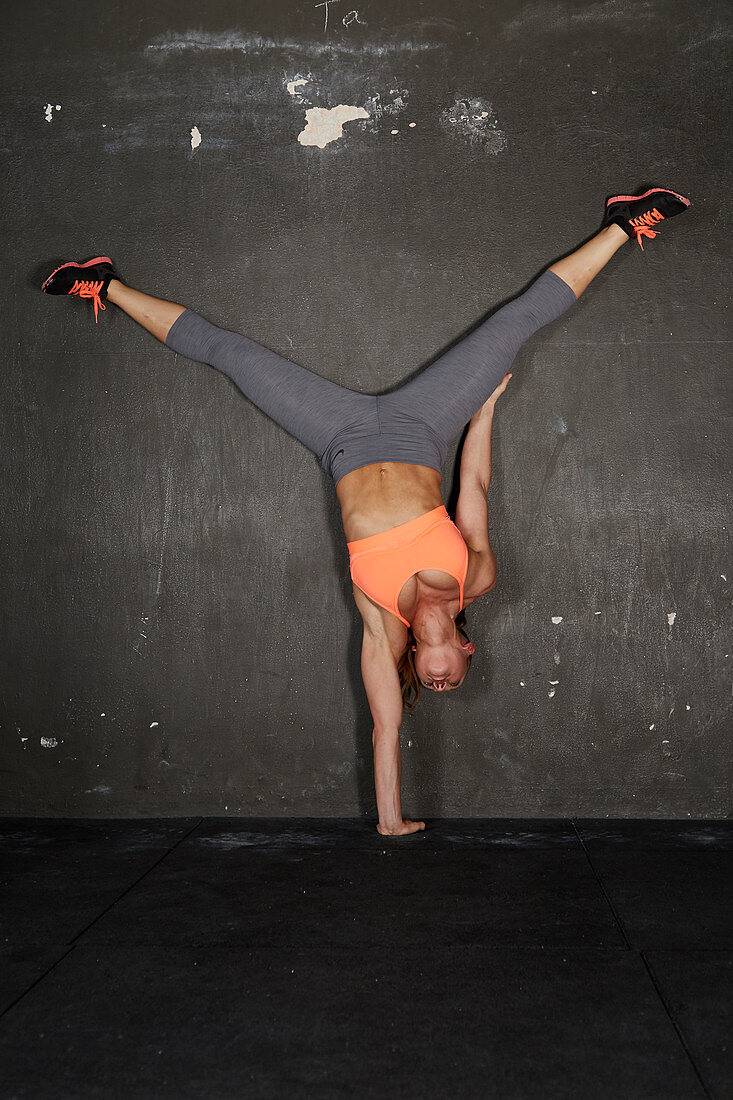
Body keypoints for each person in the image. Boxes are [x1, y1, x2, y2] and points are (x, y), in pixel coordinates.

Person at [42, 187, 690, 835]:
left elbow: (385, 728)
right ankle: (619, 224)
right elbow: (476, 486)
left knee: (230, 355)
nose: (441, 685)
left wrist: (390, 823)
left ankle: (107, 286)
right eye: (454, 682)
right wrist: (484, 408)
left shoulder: (383, 628)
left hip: (340, 438)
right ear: (465, 649)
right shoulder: (475, 579)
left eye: (433, 689)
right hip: (424, 428)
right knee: (514, 325)